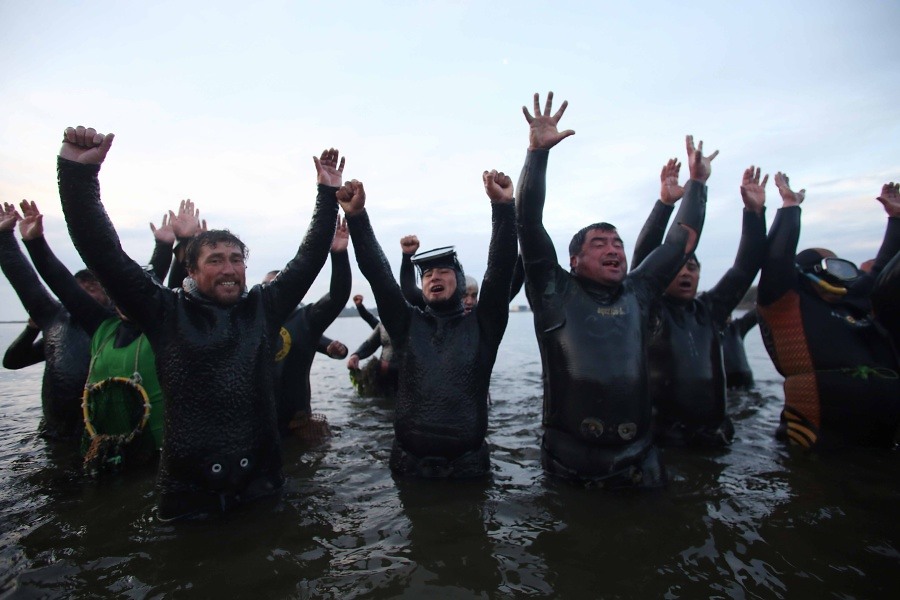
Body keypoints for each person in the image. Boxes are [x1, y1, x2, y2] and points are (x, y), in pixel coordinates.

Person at [56, 126, 341, 520]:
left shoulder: (263, 307)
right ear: (189, 268)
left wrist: (326, 194)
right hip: (190, 490)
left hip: (262, 480)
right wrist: (77, 176)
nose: (229, 269)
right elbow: (103, 254)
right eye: (215, 260)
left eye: (236, 259)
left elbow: (310, 257)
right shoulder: (165, 312)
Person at [515, 92, 708, 487]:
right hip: (569, 460)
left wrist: (698, 185)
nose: (614, 251)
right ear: (574, 260)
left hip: (638, 458)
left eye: (618, 244)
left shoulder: (639, 292)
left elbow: (679, 244)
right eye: (599, 244)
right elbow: (528, 224)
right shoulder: (554, 290)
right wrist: (537, 155)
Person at [338, 168, 518, 478]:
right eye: (427, 274)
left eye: (444, 271)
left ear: (460, 283)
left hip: (467, 468)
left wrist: (502, 208)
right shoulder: (407, 325)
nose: (434, 276)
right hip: (409, 466)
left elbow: (499, 271)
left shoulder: (483, 325)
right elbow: (380, 278)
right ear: (421, 287)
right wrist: (357, 218)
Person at [16, 199, 186, 472]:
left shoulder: (167, 327)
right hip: (100, 448)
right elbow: (63, 286)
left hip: (156, 452)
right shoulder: (102, 326)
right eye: (121, 295)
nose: (129, 301)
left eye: (137, 295)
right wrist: (35, 243)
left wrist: (183, 242)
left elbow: (177, 285)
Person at [757, 176, 900, 449]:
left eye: (845, 267)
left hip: (881, 446)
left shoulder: (855, 303)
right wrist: (790, 208)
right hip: (818, 447)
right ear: (808, 273)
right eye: (832, 266)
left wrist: (896, 220)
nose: (843, 276)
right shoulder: (787, 304)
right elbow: (777, 261)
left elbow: (882, 269)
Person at [630, 162, 767, 446]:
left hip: (715, 436)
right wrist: (668, 203)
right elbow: (644, 259)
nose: (685, 272)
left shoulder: (710, 311)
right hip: (665, 440)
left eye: (692, 268)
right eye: (679, 267)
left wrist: (755, 213)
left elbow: (745, 268)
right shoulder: (649, 307)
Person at [0, 202, 110, 439]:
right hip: (54, 433)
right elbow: (25, 281)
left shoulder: (113, 325)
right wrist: (5, 238)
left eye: (93, 288)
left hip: (99, 433)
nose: (84, 296)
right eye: (81, 289)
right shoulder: (55, 320)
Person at [264, 216, 351, 442]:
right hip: (256, 422)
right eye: (267, 287)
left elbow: (338, 296)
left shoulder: (305, 318)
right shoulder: (251, 318)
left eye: (279, 285)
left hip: (298, 420)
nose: (274, 291)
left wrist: (339, 255)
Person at [722, 308, 758, 389]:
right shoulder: (708, 331)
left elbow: (756, 313)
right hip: (725, 380)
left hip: (744, 378)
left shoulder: (737, 326)